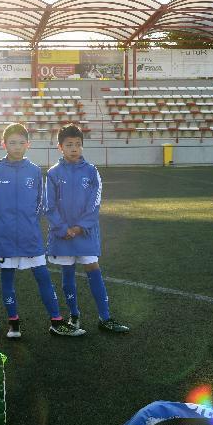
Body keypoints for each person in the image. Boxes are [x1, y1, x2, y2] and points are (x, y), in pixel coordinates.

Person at [0, 123, 84, 339]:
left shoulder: (34, 171)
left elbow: (41, 203)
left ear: (28, 145)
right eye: (12, 143)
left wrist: (28, 221)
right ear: (3, 144)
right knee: (7, 279)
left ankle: (56, 321)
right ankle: (13, 323)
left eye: (21, 143)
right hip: (4, 237)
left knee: (43, 276)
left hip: (30, 236)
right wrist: (3, 223)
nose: (17, 147)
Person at [45, 124, 129, 333]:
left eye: (78, 144)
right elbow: (49, 205)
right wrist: (63, 228)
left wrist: (80, 227)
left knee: (93, 269)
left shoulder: (92, 171)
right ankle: (74, 316)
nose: (74, 148)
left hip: (85, 234)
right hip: (62, 235)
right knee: (68, 273)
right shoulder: (53, 173)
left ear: (82, 146)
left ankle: (105, 317)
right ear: (60, 147)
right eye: (69, 145)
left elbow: (95, 203)